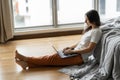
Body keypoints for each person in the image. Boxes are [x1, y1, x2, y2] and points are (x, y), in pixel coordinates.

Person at [15, 9, 102, 70]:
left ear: (93, 21)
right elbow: (81, 42)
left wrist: (72, 52)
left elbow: (89, 49)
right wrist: (70, 47)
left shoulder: (97, 31)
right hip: (75, 53)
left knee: (50, 59)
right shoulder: (90, 29)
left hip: (79, 57)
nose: (85, 22)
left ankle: (25, 58)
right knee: (51, 60)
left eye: (86, 20)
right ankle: (26, 64)